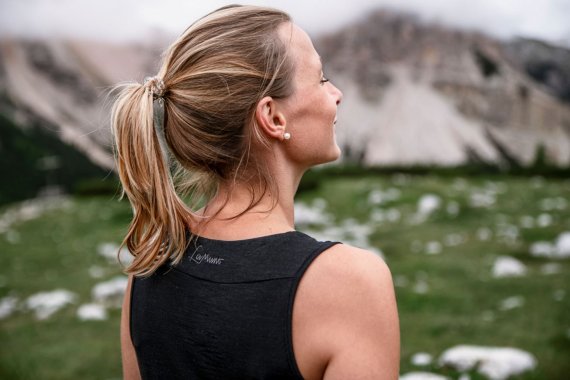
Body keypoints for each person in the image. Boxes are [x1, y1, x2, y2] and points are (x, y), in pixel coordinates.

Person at [112, 5, 399, 379]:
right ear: (274, 118)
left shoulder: (149, 270)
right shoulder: (350, 283)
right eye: (322, 78)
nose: (337, 94)